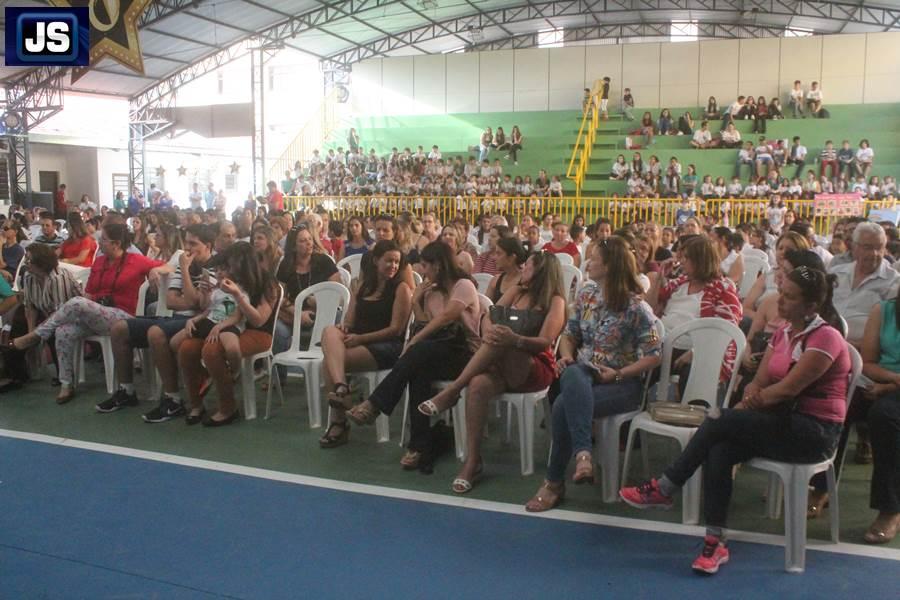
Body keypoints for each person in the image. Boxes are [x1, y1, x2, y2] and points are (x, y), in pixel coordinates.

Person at [620, 265, 849, 575]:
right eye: (781, 292)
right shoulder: (783, 331)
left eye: (790, 297)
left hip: (815, 432)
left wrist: (748, 405)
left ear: (811, 306)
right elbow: (760, 380)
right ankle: (714, 542)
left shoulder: (827, 337)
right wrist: (751, 395)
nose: (780, 300)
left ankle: (666, 486)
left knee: (718, 420)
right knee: (720, 448)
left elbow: (787, 389)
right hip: (780, 422)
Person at [525, 239, 661, 511]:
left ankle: (554, 482)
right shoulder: (587, 294)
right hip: (584, 375)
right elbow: (569, 334)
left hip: (622, 383)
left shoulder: (637, 308)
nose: (589, 263)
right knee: (573, 372)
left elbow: (654, 354)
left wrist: (619, 373)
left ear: (610, 266)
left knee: (564, 404)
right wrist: (565, 355)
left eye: (595, 258)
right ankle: (583, 455)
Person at [415, 251, 566, 492]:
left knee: (501, 340)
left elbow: (545, 342)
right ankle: (473, 461)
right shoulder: (518, 292)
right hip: (500, 362)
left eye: (527, 266)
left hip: (532, 366)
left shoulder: (554, 301)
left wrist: (515, 339)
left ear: (540, 270)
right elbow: (490, 315)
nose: (523, 268)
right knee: (478, 385)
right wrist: (494, 326)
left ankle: (453, 390)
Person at [344, 242, 481, 470]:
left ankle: (375, 404)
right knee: (418, 370)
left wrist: (414, 341)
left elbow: (447, 318)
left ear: (438, 265)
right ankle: (418, 445)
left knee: (419, 352)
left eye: (426, 266)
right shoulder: (431, 292)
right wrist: (417, 301)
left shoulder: (464, 285)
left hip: (465, 354)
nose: (423, 272)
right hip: (435, 352)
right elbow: (424, 324)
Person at [12, 224, 167, 403]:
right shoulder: (100, 262)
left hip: (123, 318)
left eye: (103, 240)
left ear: (116, 243)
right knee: (63, 330)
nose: (99, 242)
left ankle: (35, 335)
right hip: (97, 314)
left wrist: (156, 269)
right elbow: (90, 292)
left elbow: (170, 266)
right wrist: (86, 302)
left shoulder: (136, 260)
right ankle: (66, 383)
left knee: (77, 302)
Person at [104, 224, 216, 420]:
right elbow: (171, 301)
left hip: (198, 321)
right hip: (173, 317)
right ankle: (127, 391)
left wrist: (185, 272)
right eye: (186, 242)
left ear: (208, 245)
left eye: (193, 243)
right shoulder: (185, 264)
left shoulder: (215, 267)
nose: (187, 248)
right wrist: (189, 297)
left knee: (156, 333)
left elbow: (198, 304)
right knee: (119, 328)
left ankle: (173, 400)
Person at [319, 240, 413, 448]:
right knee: (329, 331)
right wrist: (345, 329)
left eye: (397, 262)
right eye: (389, 261)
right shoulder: (361, 287)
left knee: (329, 363)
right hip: (357, 338)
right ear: (376, 260)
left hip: (386, 345)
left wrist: (361, 339)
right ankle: (342, 388)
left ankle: (338, 422)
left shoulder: (401, 289)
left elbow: (395, 329)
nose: (393, 266)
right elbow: (350, 322)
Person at [177, 242, 279, 426]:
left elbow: (258, 320)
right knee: (186, 348)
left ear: (242, 264)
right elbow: (215, 308)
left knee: (212, 351)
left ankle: (227, 407)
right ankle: (196, 403)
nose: (227, 269)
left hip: (256, 332)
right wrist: (206, 294)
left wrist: (238, 295)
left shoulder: (267, 282)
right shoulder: (230, 278)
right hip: (225, 324)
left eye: (230, 264)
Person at [648, 236, 742, 398]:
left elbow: (725, 330)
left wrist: (695, 352)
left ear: (700, 260)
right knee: (637, 363)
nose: (681, 261)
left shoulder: (722, 288)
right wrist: (659, 278)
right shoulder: (679, 284)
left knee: (690, 371)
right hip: (660, 342)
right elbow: (648, 309)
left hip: (693, 348)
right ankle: (630, 403)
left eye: (686, 258)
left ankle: (689, 417)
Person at [856, 289, 900, 543]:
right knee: (839, 403)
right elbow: (868, 362)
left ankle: (890, 509)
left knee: (884, 416)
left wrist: (889, 388)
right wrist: (892, 380)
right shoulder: (882, 311)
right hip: (884, 381)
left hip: (889, 391)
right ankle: (820, 486)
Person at [273, 225, 342, 371]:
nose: (309, 243)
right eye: (303, 241)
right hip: (293, 315)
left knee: (338, 317)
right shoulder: (286, 265)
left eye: (310, 239)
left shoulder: (324, 261)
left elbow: (339, 293)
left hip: (323, 313)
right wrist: (297, 312)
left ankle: (332, 369)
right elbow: (278, 296)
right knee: (277, 328)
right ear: (293, 246)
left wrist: (320, 302)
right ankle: (280, 376)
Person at [829, 222, 900, 346]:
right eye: (868, 247)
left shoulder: (893, 282)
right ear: (854, 247)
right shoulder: (836, 273)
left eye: (879, 248)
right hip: (822, 342)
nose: (874, 254)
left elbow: (888, 333)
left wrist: (845, 345)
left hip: (860, 351)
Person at [484, 237, 526, 304]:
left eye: (499, 253)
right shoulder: (495, 280)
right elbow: (485, 306)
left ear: (512, 257)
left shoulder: (525, 282)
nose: (494, 257)